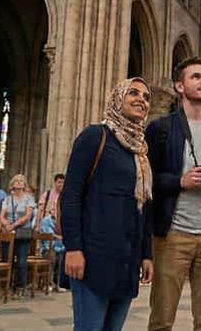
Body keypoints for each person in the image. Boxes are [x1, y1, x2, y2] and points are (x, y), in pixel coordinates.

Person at [145, 57, 201, 331]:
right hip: (173, 235)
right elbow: (145, 180)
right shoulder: (161, 128)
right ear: (179, 86)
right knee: (162, 320)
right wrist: (179, 181)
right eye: (196, 77)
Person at [61, 77, 154, 331]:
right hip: (94, 256)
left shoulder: (140, 152)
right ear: (117, 98)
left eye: (146, 97)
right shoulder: (95, 136)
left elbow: (143, 207)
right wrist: (73, 248)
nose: (141, 100)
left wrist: (146, 254)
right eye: (133, 93)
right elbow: (71, 195)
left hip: (127, 259)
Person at [0, 174, 36, 299]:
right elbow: (2, 215)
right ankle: (6, 286)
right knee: (6, 259)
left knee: (21, 261)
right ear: (12, 184)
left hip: (22, 232)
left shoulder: (29, 198)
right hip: (8, 232)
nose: (19, 182)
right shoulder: (7, 199)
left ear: (24, 185)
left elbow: (27, 216)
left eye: (21, 181)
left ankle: (20, 287)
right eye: (16, 181)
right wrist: (5, 224)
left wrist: (14, 225)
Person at [39, 212, 66, 291]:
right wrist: (58, 237)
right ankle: (48, 284)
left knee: (59, 263)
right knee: (52, 260)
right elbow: (48, 233)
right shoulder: (46, 220)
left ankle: (57, 284)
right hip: (48, 247)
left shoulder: (62, 220)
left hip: (60, 247)